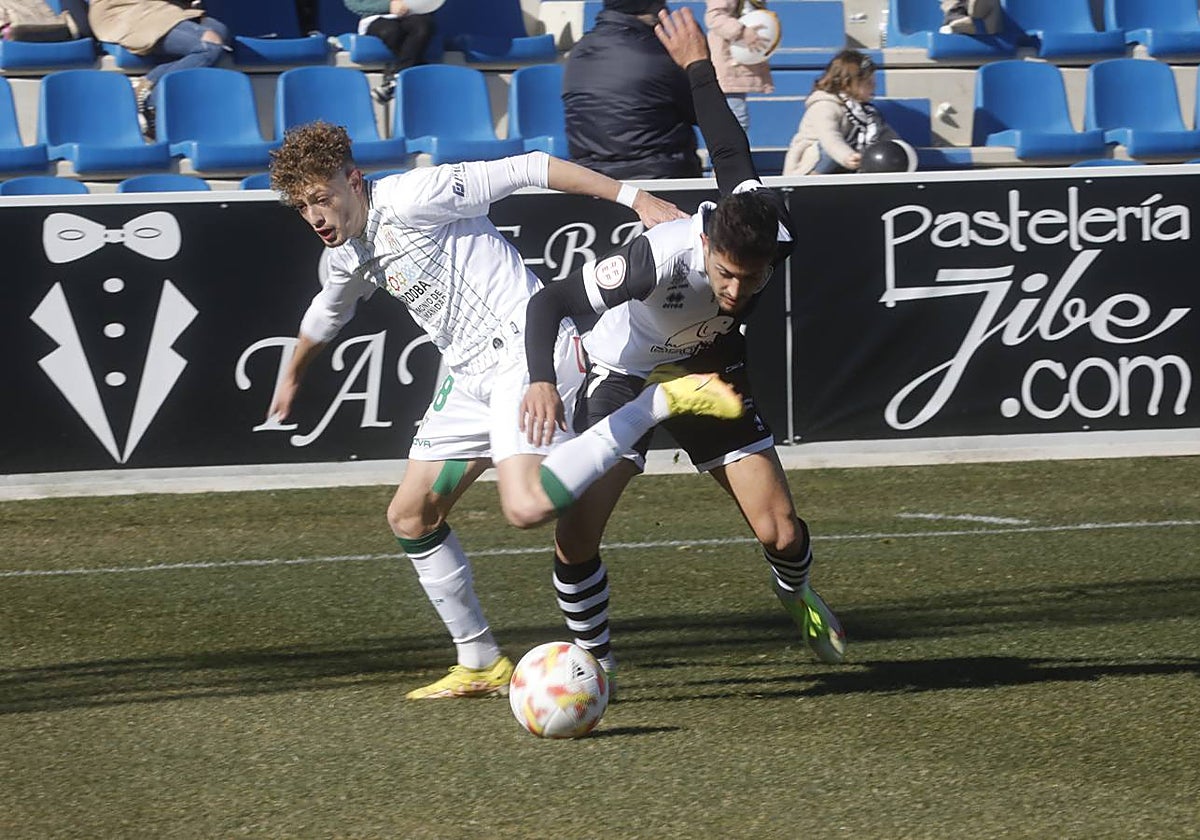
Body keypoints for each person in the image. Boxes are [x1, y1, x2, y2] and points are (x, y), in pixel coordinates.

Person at [267, 121, 740, 699]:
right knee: (410, 517)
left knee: (524, 509)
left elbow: (529, 167)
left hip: (525, 353)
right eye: (302, 207)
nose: (315, 216)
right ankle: (480, 660)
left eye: (322, 198)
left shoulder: (414, 196)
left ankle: (657, 402)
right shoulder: (349, 253)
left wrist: (634, 198)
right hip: (468, 381)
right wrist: (291, 376)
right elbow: (326, 312)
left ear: (353, 180)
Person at [519, 7, 847, 679]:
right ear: (706, 246)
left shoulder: (764, 227)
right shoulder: (656, 259)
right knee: (577, 534)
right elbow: (550, 300)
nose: (736, 291)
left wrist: (702, 64)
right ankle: (597, 664)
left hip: (709, 371)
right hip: (624, 374)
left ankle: (798, 596)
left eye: (750, 281)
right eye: (726, 276)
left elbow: (729, 148)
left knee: (781, 532)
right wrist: (542, 378)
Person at [562, 0, 701, 180]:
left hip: (594, 184)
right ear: (655, 9)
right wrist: (698, 63)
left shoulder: (578, 52)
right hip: (663, 183)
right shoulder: (659, 55)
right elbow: (703, 111)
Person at [87, 0, 230, 138]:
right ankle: (152, 102)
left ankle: (150, 86)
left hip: (166, 9)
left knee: (219, 31)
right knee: (209, 44)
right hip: (125, 11)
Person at [781, 49, 898, 176]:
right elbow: (830, 138)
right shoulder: (824, 105)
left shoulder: (868, 114)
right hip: (809, 165)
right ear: (847, 83)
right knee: (828, 151)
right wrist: (847, 156)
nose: (874, 86)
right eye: (868, 82)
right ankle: (812, 182)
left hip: (847, 163)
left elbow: (888, 136)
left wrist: (899, 149)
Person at [342, 0, 437, 103]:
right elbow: (354, 3)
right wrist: (388, 5)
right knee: (391, 32)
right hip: (376, 19)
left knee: (423, 27)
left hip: (412, 15)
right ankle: (411, 72)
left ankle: (395, 80)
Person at [704, 0, 774, 131]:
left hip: (741, 61)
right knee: (736, 119)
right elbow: (714, 17)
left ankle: (734, 150)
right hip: (729, 62)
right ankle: (733, 151)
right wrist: (742, 32)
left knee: (736, 118)